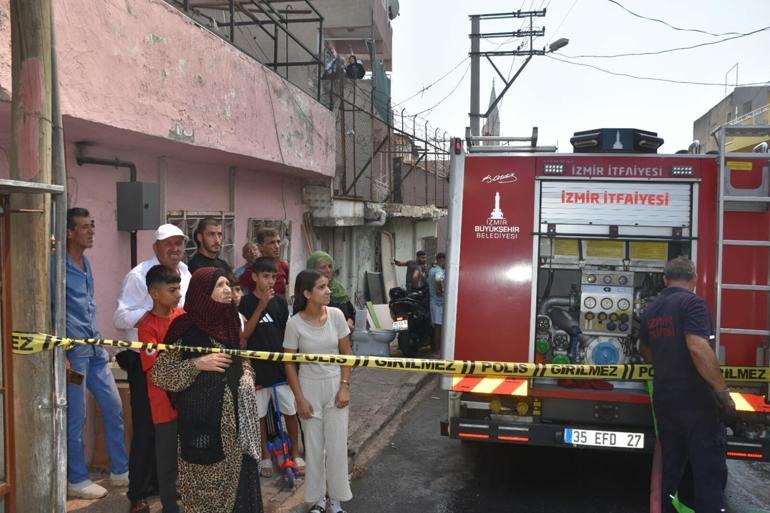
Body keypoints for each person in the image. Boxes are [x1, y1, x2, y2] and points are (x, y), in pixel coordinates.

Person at [153, 268, 264, 513]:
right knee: (206, 500)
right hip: (202, 431)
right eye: (220, 285)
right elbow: (161, 374)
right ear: (203, 293)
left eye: (228, 284)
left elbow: (241, 359)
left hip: (238, 429)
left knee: (241, 497)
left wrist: (247, 373)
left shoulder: (232, 320)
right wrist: (196, 364)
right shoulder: (185, 327)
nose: (227, 290)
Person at [639, 256, 735, 513]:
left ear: (665, 279)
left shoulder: (653, 309)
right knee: (708, 471)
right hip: (696, 403)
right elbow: (697, 347)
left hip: (666, 401)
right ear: (693, 279)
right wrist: (722, 391)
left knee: (671, 469)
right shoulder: (693, 304)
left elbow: (645, 350)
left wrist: (666, 361)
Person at [114, 223, 192, 513]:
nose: (175, 249)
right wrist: (155, 316)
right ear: (156, 247)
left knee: (172, 430)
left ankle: (165, 488)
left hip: (178, 362)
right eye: (168, 244)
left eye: (179, 244)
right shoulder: (138, 276)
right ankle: (138, 494)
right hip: (143, 359)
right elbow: (120, 316)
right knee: (147, 430)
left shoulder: (186, 272)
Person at [61, 207, 129, 499]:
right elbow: (52, 312)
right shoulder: (57, 265)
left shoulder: (86, 262)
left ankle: (120, 470)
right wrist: (62, 355)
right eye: (84, 227)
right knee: (76, 417)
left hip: (95, 348)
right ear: (69, 232)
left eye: (92, 226)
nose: (91, 232)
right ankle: (76, 478)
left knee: (113, 407)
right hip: (73, 351)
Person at [284, 270, 353, 513]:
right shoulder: (294, 324)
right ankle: (317, 500)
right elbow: (289, 363)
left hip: (336, 387)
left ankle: (335, 500)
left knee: (336, 448)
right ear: (307, 293)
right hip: (308, 389)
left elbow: (347, 354)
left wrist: (344, 387)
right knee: (313, 449)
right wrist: (299, 399)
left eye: (327, 286)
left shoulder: (336, 315)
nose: (328, 291)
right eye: (322, 287)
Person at [239, 257, 304, 478]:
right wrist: (261, 305)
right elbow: (244, 335)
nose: (270, 281)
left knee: (290, 411)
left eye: (274, 277)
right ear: (255, 277)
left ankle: (295, 452)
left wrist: (291, 363)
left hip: (279, 367)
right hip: (257, 369)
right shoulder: (245, 304)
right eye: (265, 276)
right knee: (259, 414)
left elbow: (286, 333)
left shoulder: (279, 303)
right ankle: (265, 455)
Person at [137, 265, 184, 513]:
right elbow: (155, 368)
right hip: (163, 405)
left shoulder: (183, 316)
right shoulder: (147, 327)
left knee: (187, 457)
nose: (178, 294)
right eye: (172, 289)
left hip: (187, 401)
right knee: (166, 462)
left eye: (179, 288)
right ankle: (169, 507)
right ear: (154, 293)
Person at [306, 251, 355, 330]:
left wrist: (349, 323)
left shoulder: (339, 289)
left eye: (330, 266)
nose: (328, 270)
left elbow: (351, 313)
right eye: (323, 267)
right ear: (312, 269)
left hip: (343, 336)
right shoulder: (308, 291)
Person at [239, 228, 289, 297]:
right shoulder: (252, 269)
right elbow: (238, 289)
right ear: (260, 247)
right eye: (272, 243)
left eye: (278, 242)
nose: (277, 246)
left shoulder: (283, 266)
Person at [428, 253, 446, 353]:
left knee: (436, 326)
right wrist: (440, 290)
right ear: (441, 260)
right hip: (438, 303)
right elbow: (438, 280)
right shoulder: (439, 270)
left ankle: (436, 348)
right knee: (439, 327)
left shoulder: (432, 270)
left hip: (433, 301)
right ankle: (438, 350)